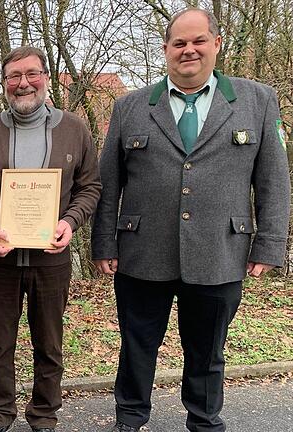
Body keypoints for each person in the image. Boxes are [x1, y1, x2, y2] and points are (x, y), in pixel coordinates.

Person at [91, 8, 290, 432]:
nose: (189, 50)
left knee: (207, 350)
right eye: (179, 43)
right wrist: (104, 243)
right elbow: (109, 181)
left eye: (198, 41)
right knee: (137, 345)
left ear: (216, 44)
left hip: (220, 251)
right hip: (142, 252)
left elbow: (274, 180)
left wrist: (270, 244)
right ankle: (129, 418)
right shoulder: (130, 106)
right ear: (165, 49)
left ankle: (203, 420)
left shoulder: (256, 100)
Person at [0, 46, 101, 432]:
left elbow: (90, 188)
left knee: (49, 345)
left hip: (52, 259)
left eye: (31, 74)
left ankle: (43, 417)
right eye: (13, 76)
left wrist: (70, 222)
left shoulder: (75, 129)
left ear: (46, 78)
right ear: (4, 83)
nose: (23, 83)